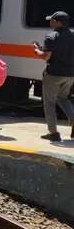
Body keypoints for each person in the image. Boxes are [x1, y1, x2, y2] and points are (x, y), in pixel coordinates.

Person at [34, 11, 74, 141]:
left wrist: (37, 51)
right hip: (70, 74)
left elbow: (46, 56)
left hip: (53, 74)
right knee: (63, 98)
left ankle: (53, 133)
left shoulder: (51, 36)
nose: (50, 22)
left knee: (49, 103)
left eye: (51, 20)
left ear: (57, 22)